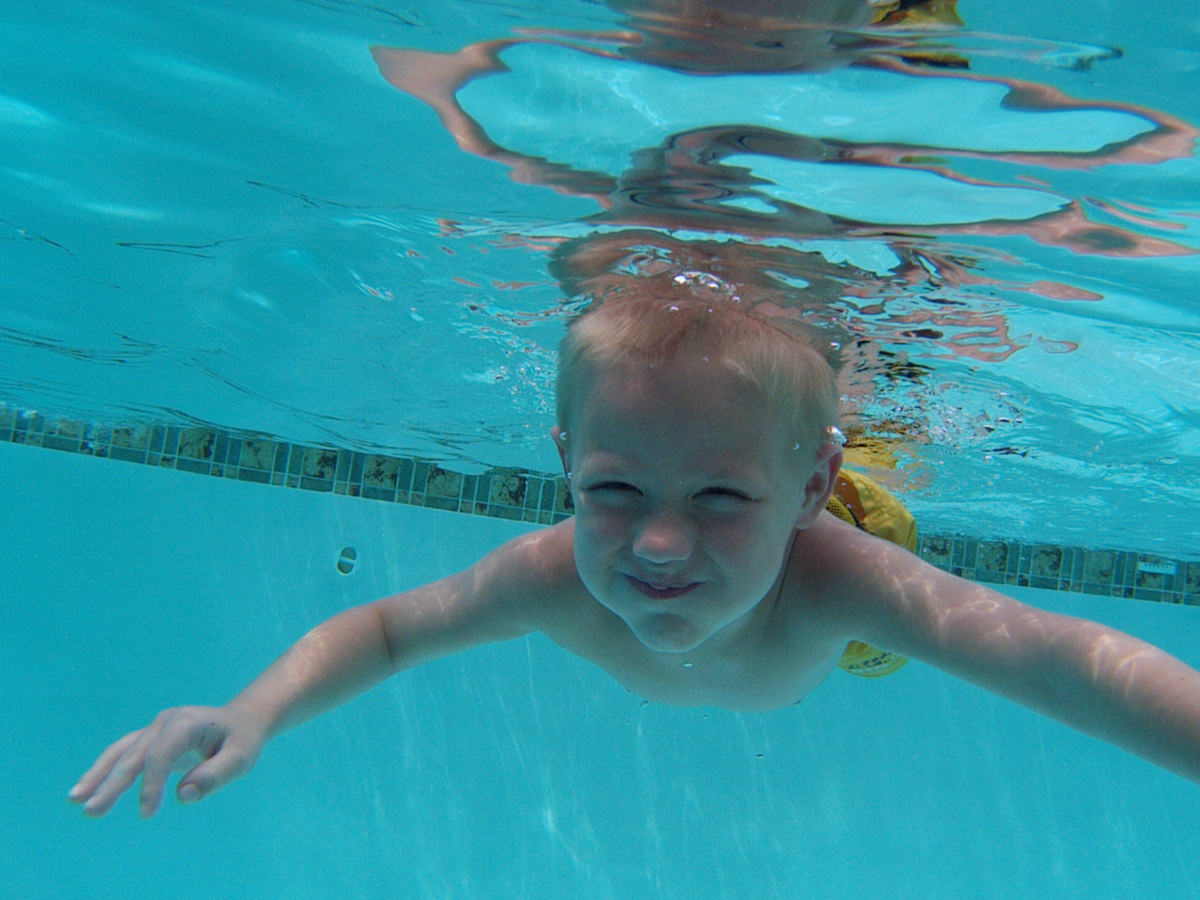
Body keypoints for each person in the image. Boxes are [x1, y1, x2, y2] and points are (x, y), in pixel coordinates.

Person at [70, 293, 1200, 818]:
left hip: (852, 537)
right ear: (563, 463)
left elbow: (1053, 654)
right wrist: (256, 707)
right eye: (612, 491)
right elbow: (388, 626)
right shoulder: (555, 571)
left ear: (806, 488)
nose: (659, 544)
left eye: (719, 495)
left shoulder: (836, 575)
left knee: (892, 576)